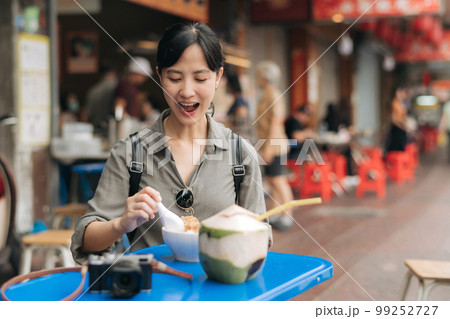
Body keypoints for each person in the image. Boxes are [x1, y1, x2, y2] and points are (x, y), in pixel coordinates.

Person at [71, 22, 266, 264]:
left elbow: (262, 240)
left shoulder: (240, 154)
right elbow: (86, 241)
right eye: (174, 78)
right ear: (160, 76)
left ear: (218, 77)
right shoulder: (130, 153)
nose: (186, 91)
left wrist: (242, 228)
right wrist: (121, 223)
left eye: (200, 78)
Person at [255, 61, 293, 231]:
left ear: (264, 78)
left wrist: (268, 148)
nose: (256, 79)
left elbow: (275, 124)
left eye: (258, 76)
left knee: (278, 180)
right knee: (272, 179)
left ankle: (288, 214)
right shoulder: (267, 94)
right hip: (269, 144)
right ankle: (277, 213)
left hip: (275, 145)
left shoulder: (274, 95)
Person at [86, 62, 118, 136]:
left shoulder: (93, 91)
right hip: (113, 132)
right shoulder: (118, 87)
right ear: (114, 72)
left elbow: (88, 115)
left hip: (97, 132)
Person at [225, 73, 252, 140]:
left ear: (230, 85)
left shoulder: (240, 103)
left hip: (240, 141)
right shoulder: (238, 100)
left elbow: (242, 127)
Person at [385, 86, 408, 153]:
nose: (401, 94)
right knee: (396, 148)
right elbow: (393, 119)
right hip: (397, 128)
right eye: (399, 93)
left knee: (401, 148)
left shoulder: (402, 103)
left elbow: (403, 116)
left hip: (401, 128)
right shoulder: (394, 103)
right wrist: (402, 125)